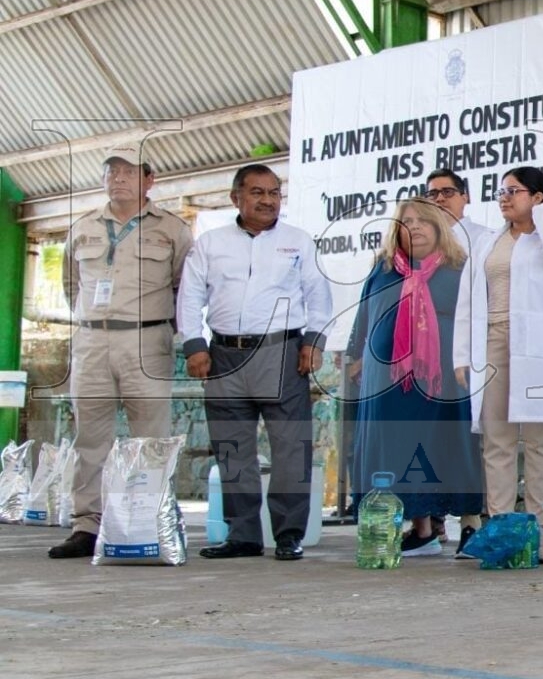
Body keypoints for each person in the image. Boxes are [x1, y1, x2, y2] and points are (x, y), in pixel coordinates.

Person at [179, 164, 332, 561]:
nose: (267, 200)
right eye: (257, 192)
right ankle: (243, 535)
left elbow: (318, 295)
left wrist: (313, 342)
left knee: (290, 448)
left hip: (281, 353)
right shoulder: (210, 243)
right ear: (236, 198)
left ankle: (288, 534)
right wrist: (195, 345)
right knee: (232, 449)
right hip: (223, 354)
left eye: (274, 193)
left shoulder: (298, 241)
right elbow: (191, 295)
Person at [48, 146, 192, 559]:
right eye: (112, 171)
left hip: (147, 340)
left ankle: (146, 524)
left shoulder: (173, 229)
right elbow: (71, 286)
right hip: (92, 341)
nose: (119, 178)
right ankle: (86, 526)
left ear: (150, 180)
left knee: (151, 438)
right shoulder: (83, 226)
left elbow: (186, 287)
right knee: (90, 438)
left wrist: (167, 331)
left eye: (130, 171)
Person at [346, 198, 478, 557]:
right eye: (407, 221)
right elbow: (364, 315)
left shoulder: (458, 269)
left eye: (423, 220)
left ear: (438, 227)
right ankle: (421, 531)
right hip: (387, 381)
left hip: (443, 379)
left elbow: (475, 320)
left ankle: (470, 527)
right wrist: (356, 355)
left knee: (451, 446)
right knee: (398, 450)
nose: (415, 227)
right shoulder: (384, 269)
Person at [454, 167, 543, 556]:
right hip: (491, 343)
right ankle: (502, 534)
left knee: (540, 443)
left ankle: (534, 534)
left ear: (537, 197)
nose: (504, 197)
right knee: (497, 441)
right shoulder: (488, 242)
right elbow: (466, 303)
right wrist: (461, 355)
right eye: (501, 191)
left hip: (537, 348)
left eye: (515, 191)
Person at [424, 167, 495, 554]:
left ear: (466, 196)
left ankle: (472, 521)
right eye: (432, 194)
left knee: (468, 436)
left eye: (447, 192)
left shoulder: (482, 238)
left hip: (466, 348)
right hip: (425, 350)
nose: (440, 199)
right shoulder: (418, 238)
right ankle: (432, 522)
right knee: (430, 436)